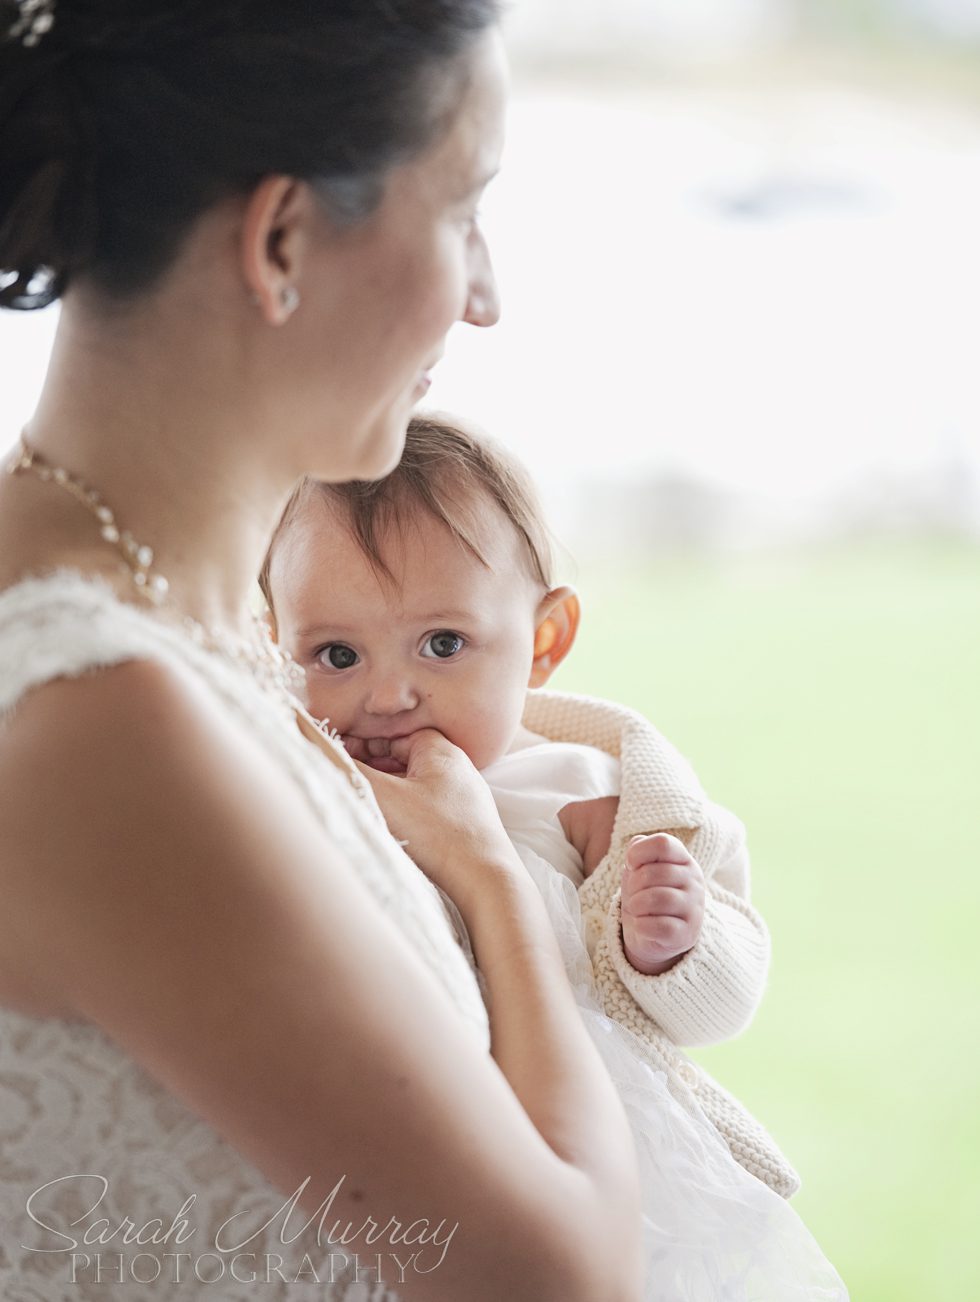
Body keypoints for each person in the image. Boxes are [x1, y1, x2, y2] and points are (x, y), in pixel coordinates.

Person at [0, 4, 648, 1300]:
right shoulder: (100, 715)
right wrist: (493, 883)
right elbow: (560, 1278)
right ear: (282, 237)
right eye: (465, 210)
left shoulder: (203, 621)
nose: (487, 298)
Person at [260, 415, 850, 1297]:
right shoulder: (292, 784)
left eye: (444, 644)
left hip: (612, 1173)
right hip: (388, 1177)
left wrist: (671, 946)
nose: (387, 695)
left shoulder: (588, 796)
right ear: (273, 642)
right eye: (336, 654)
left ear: (544, 642)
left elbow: (717, 1013)